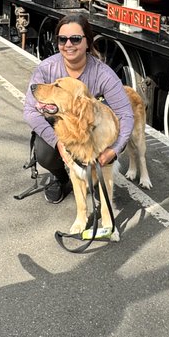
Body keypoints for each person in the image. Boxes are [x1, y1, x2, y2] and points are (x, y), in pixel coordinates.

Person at [22, 13, 134, 203]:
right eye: (62, 39)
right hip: (60, 127)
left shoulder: (102, 74)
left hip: (89, 127)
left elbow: (126, 115)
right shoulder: (47, 68)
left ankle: (98, 180)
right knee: (44, 152)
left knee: (107, 134)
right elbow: (30, 111)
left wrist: (115, 149)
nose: (68, 44)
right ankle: (61, 178)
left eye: (75, 39)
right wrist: (58, 142)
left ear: (88, 42)